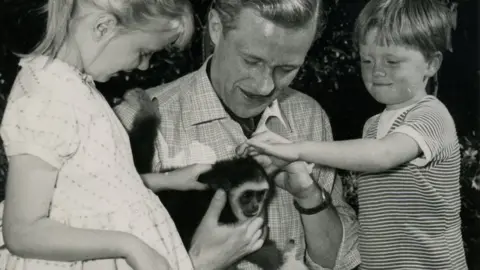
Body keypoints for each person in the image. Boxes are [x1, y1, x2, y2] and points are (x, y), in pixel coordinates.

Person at [0, 0, 265, 269]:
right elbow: (22, 231)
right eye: (143, 52)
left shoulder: (77, 88)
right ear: (103, 27)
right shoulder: (46, 96)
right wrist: (129, 245)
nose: (143, 66)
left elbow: (97, 186)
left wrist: (169, 180)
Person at [114, 0, 361, 269]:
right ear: (217, 28)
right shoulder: (138, 122)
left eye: (287, 69)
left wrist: (308, 194)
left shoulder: (308, 117)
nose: (265, 85)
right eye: (251, 61)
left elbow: (341, 261)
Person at [240, 0, 468, 269]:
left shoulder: (431, 116)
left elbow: (382, 154)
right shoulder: (372, 126)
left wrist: (297, 149)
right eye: (367, 60)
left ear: (431, 63)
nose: (377, 70)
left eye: (392, 61)